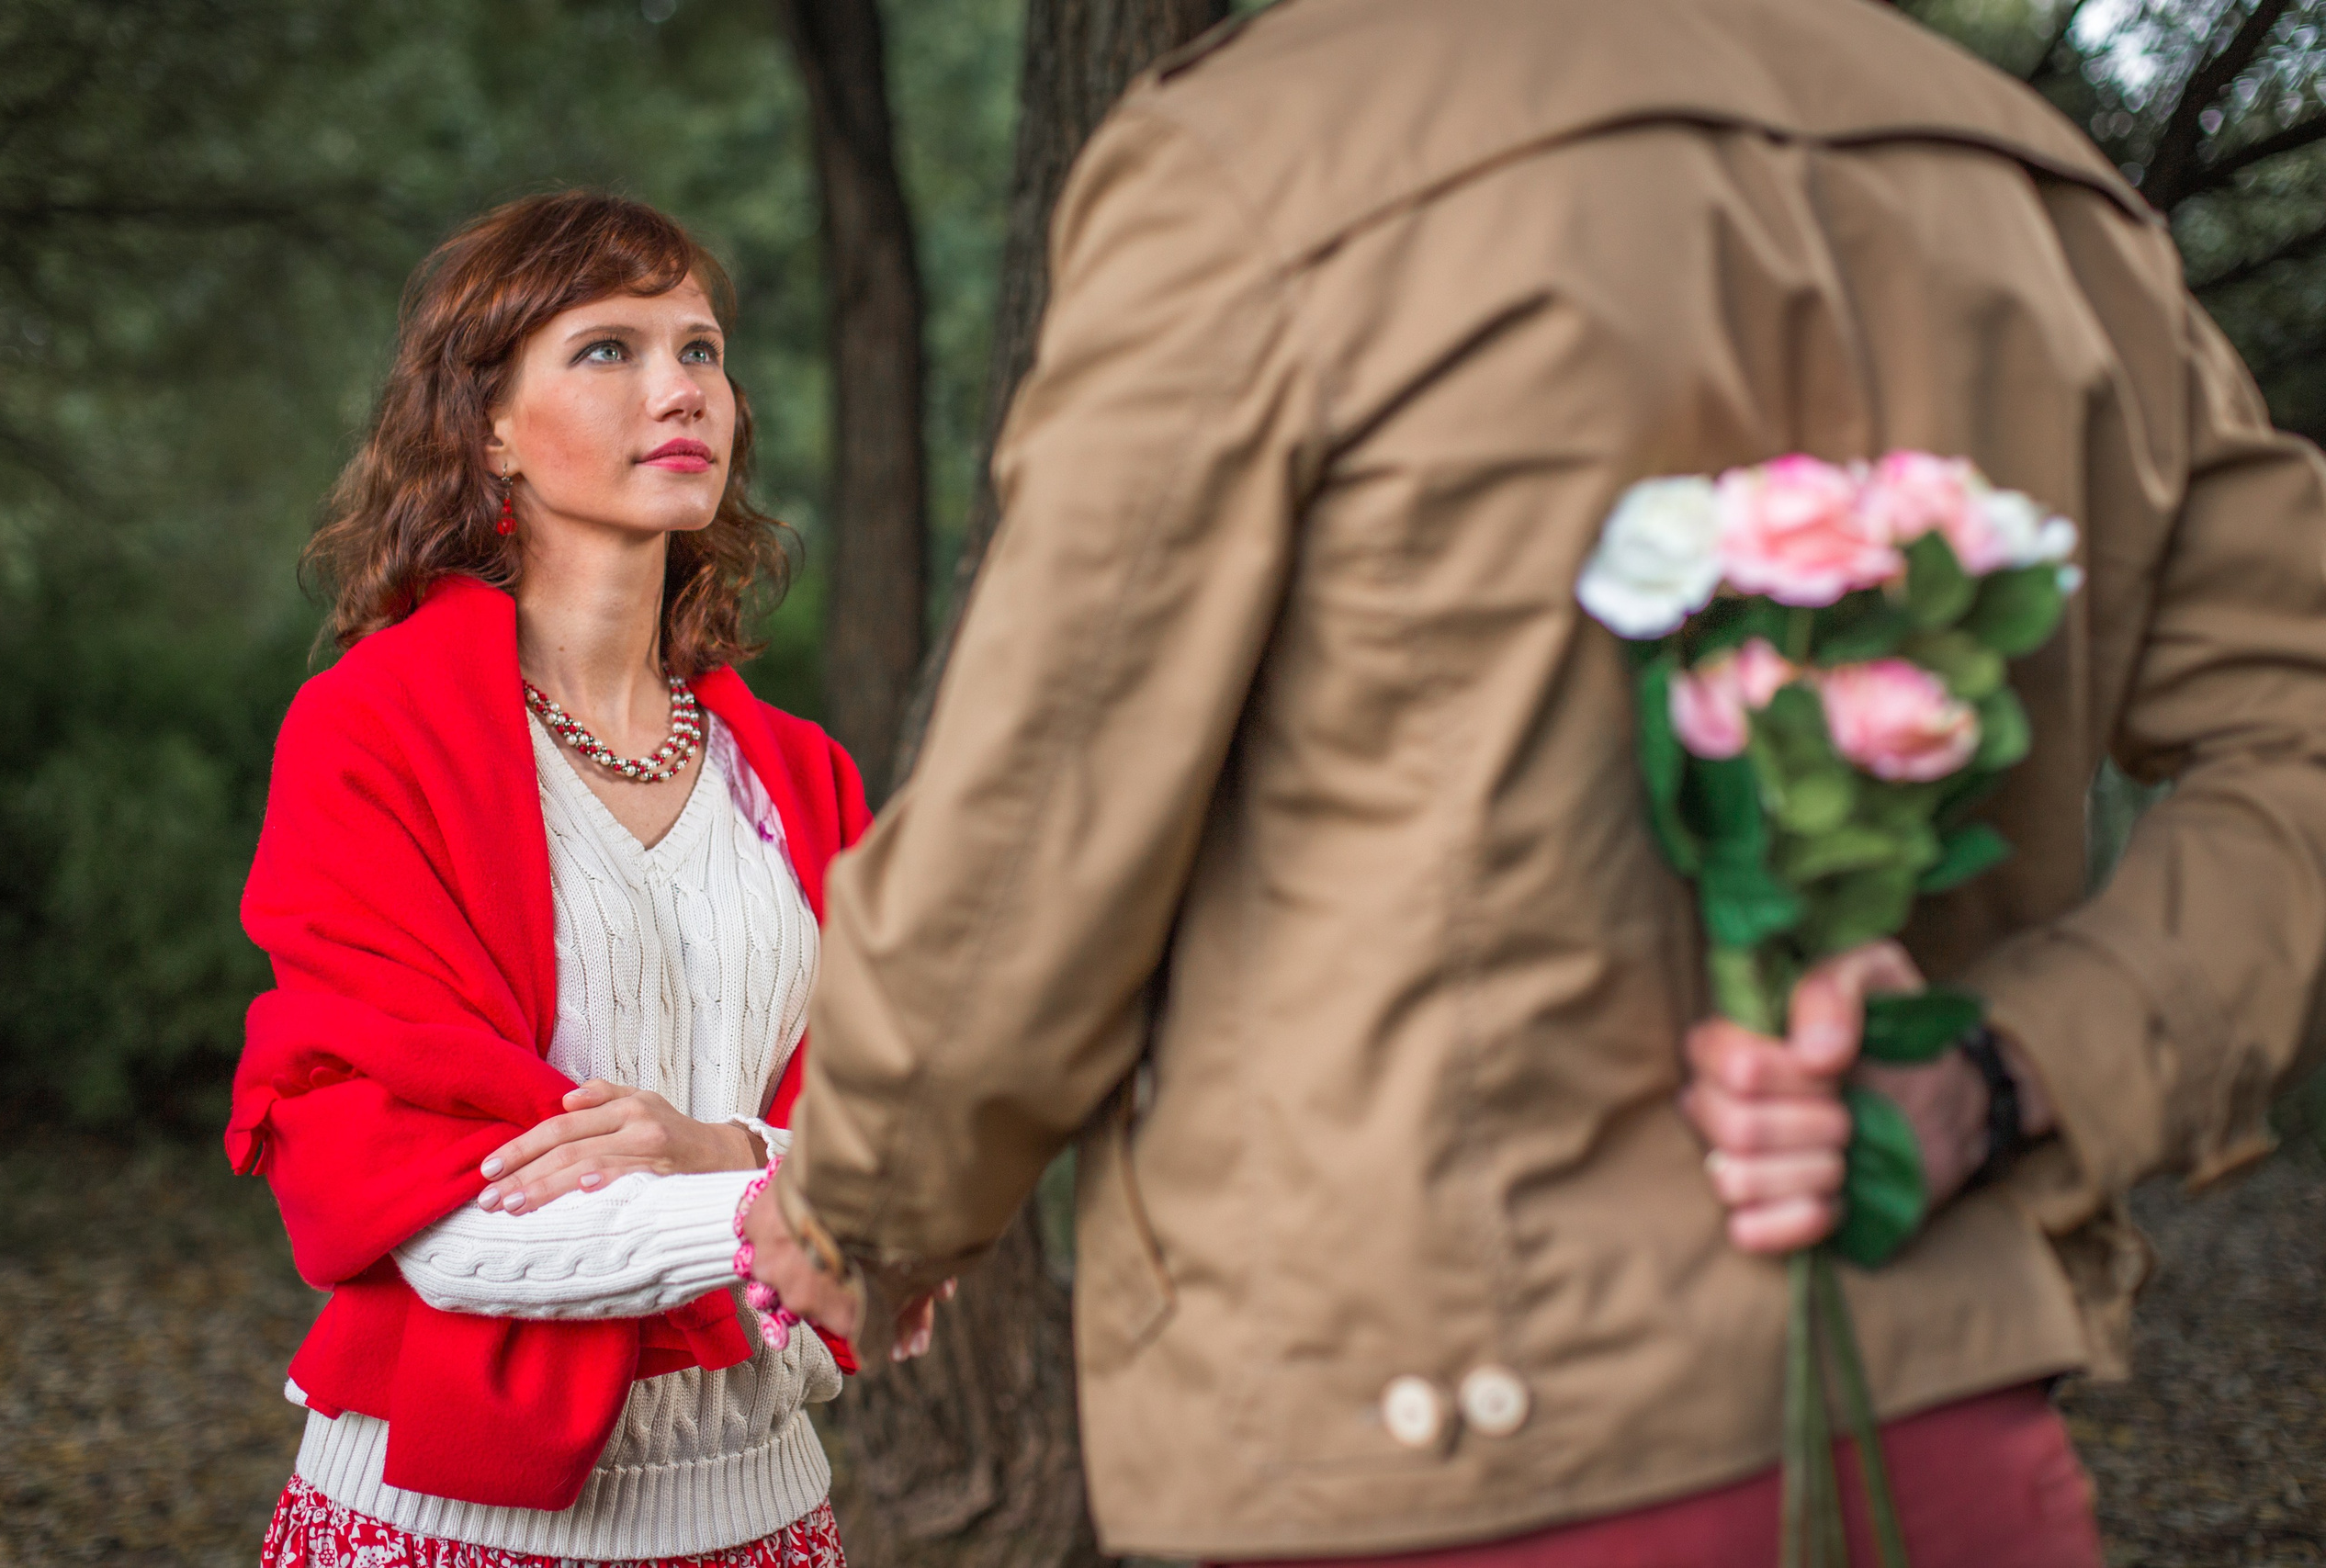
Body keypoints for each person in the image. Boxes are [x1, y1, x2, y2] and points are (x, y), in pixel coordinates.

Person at [733, 0, 2326, 1564]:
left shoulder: (1268, 155)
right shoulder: (2041, 190)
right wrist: (2011, 1069)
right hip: (1946, 1412)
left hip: (1449, 1437)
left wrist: (859, 1208)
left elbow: (1039, 827)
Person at [227, 190, 874, 1568]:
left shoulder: (803, 782)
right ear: (488, 429)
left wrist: (725, 1156)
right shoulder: (374, 736)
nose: (679, 388)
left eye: (700, 350)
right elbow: (454, 1222)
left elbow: (918, 1143)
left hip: (771, 1515)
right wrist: (801, 1198)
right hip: (444, 1528)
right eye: (608, 350)